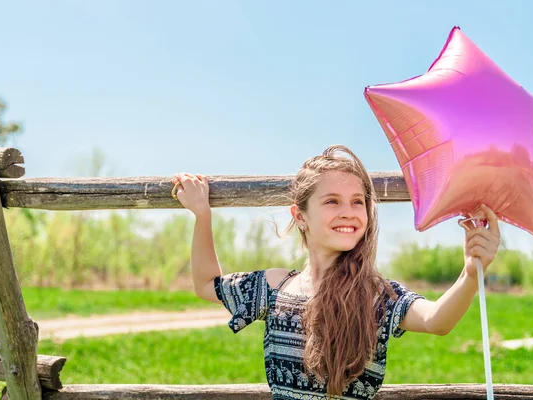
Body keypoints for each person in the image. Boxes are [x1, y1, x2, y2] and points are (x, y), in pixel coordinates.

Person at [171, 145, 500, 400]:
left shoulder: (376, 294)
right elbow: (205, 285)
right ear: (300, 216)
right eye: (332, 201)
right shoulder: (276, 287)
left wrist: (471, 272)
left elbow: (436, 320)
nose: (349, 212)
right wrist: (202, 214)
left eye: (358, 202)